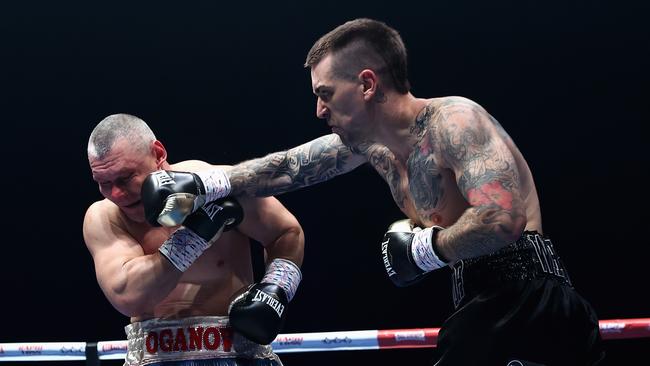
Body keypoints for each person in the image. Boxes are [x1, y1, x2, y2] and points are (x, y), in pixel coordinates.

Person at [142, 18, 604, 365]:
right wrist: (206, 182)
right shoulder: (376, 148)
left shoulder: (455, 121)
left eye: (326, 93)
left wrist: (428, 249)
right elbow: (286, 169)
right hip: (484, 299)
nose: (319, 109)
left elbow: (503, 219)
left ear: (366, 84)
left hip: (528, 296)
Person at [83, 114, 304, 366]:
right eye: (103, 183)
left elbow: (286, 232)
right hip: (155, 358)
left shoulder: (218, 184)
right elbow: (130, 296)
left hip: (238, 355)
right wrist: (199, 233)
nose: (116, 194)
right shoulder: (104, 217)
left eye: (124, 178)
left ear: (157, 153)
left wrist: (276, 289)